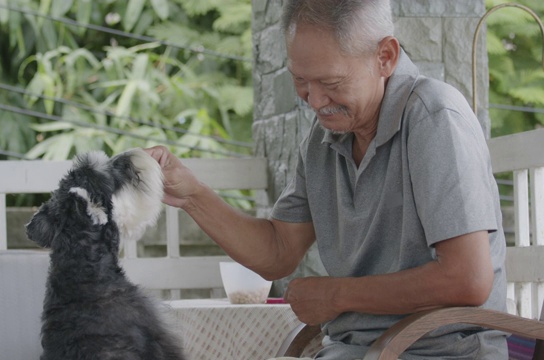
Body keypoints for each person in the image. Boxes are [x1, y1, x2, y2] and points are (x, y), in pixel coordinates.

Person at [145, 0, 508, 358]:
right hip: (355, 352)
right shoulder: (322, 141)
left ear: (385, 57)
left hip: (440, 352)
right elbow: (278, 252)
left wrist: (337, 296)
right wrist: (192, 195)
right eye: (300, 80)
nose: (315, 100)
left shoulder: (434, 117)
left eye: (331, 82)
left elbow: (467, 279)